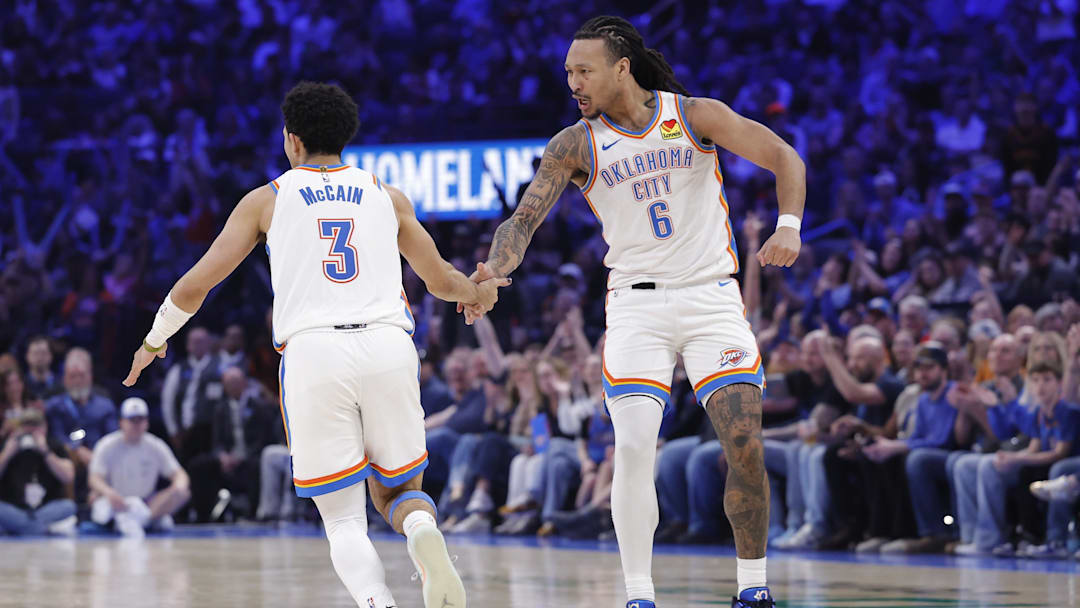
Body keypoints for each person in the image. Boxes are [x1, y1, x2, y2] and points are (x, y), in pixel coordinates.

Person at [120, 82, 508, 608]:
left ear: (292, 140)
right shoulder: (387, 195)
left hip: (315, 354)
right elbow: (440, 280)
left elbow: (195, 285)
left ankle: (378, 603)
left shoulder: (267, 200)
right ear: (345, 138)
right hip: (389, 345)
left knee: (344, 518)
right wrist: (478, 292)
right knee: (400, 492)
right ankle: (422, 533)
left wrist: (154, 340)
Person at [466, 16, 804, 608]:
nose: (572, 81)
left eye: (583, 70)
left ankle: (753, 589)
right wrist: (496, 269)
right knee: (633, 446)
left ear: (621, 67)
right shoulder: (575, 142)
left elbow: (783, 156)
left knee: (745, 440)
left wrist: (789, 227)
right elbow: (522, 220)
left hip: (710, 297)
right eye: (568, 71)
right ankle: (638, 595)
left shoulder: (693, 115)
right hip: (635, 307)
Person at [88, 398, 191, 538]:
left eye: (140, 420)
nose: (136, 425)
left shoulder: (155, 445)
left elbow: (179, 474)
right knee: (98, 503)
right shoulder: (107, 445)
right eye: (132, 420)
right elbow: (94, 478)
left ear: (146, 422)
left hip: (148, 503)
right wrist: (109, 493)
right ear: (121, 422)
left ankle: (143, 519)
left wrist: (178, 487)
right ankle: (142, 520)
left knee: (183, 493)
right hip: (118, 501)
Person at [0, 409, 77, 536]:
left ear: (44, 427)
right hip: (14, 509)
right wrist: (7, 453)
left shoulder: (53, 445)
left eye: (35, 426)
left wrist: (45, 452)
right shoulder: (8, 445)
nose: (30, 430)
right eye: (26, 426)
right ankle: (36, 528)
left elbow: (68, 477)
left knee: (69, 506)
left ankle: (23, 528)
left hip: (46, 509)